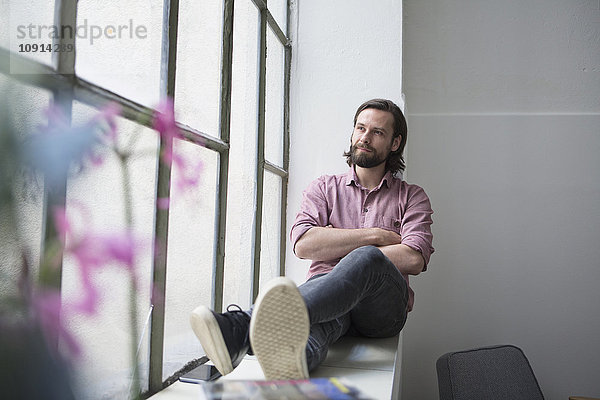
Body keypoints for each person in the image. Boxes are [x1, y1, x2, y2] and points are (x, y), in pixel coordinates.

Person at [191, 98, 434, 380]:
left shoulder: (412, 196)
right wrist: (376, 236)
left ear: (395, 143)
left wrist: (342, 249)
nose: (364, 138)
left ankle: (242, 326)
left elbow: (413, 258)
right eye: (360, 128)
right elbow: (304, 244)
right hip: (326, 300)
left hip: (381, 311)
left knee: (367, 258)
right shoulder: (324, 188)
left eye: (377, 132)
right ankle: (289, 366)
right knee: (310, 336)